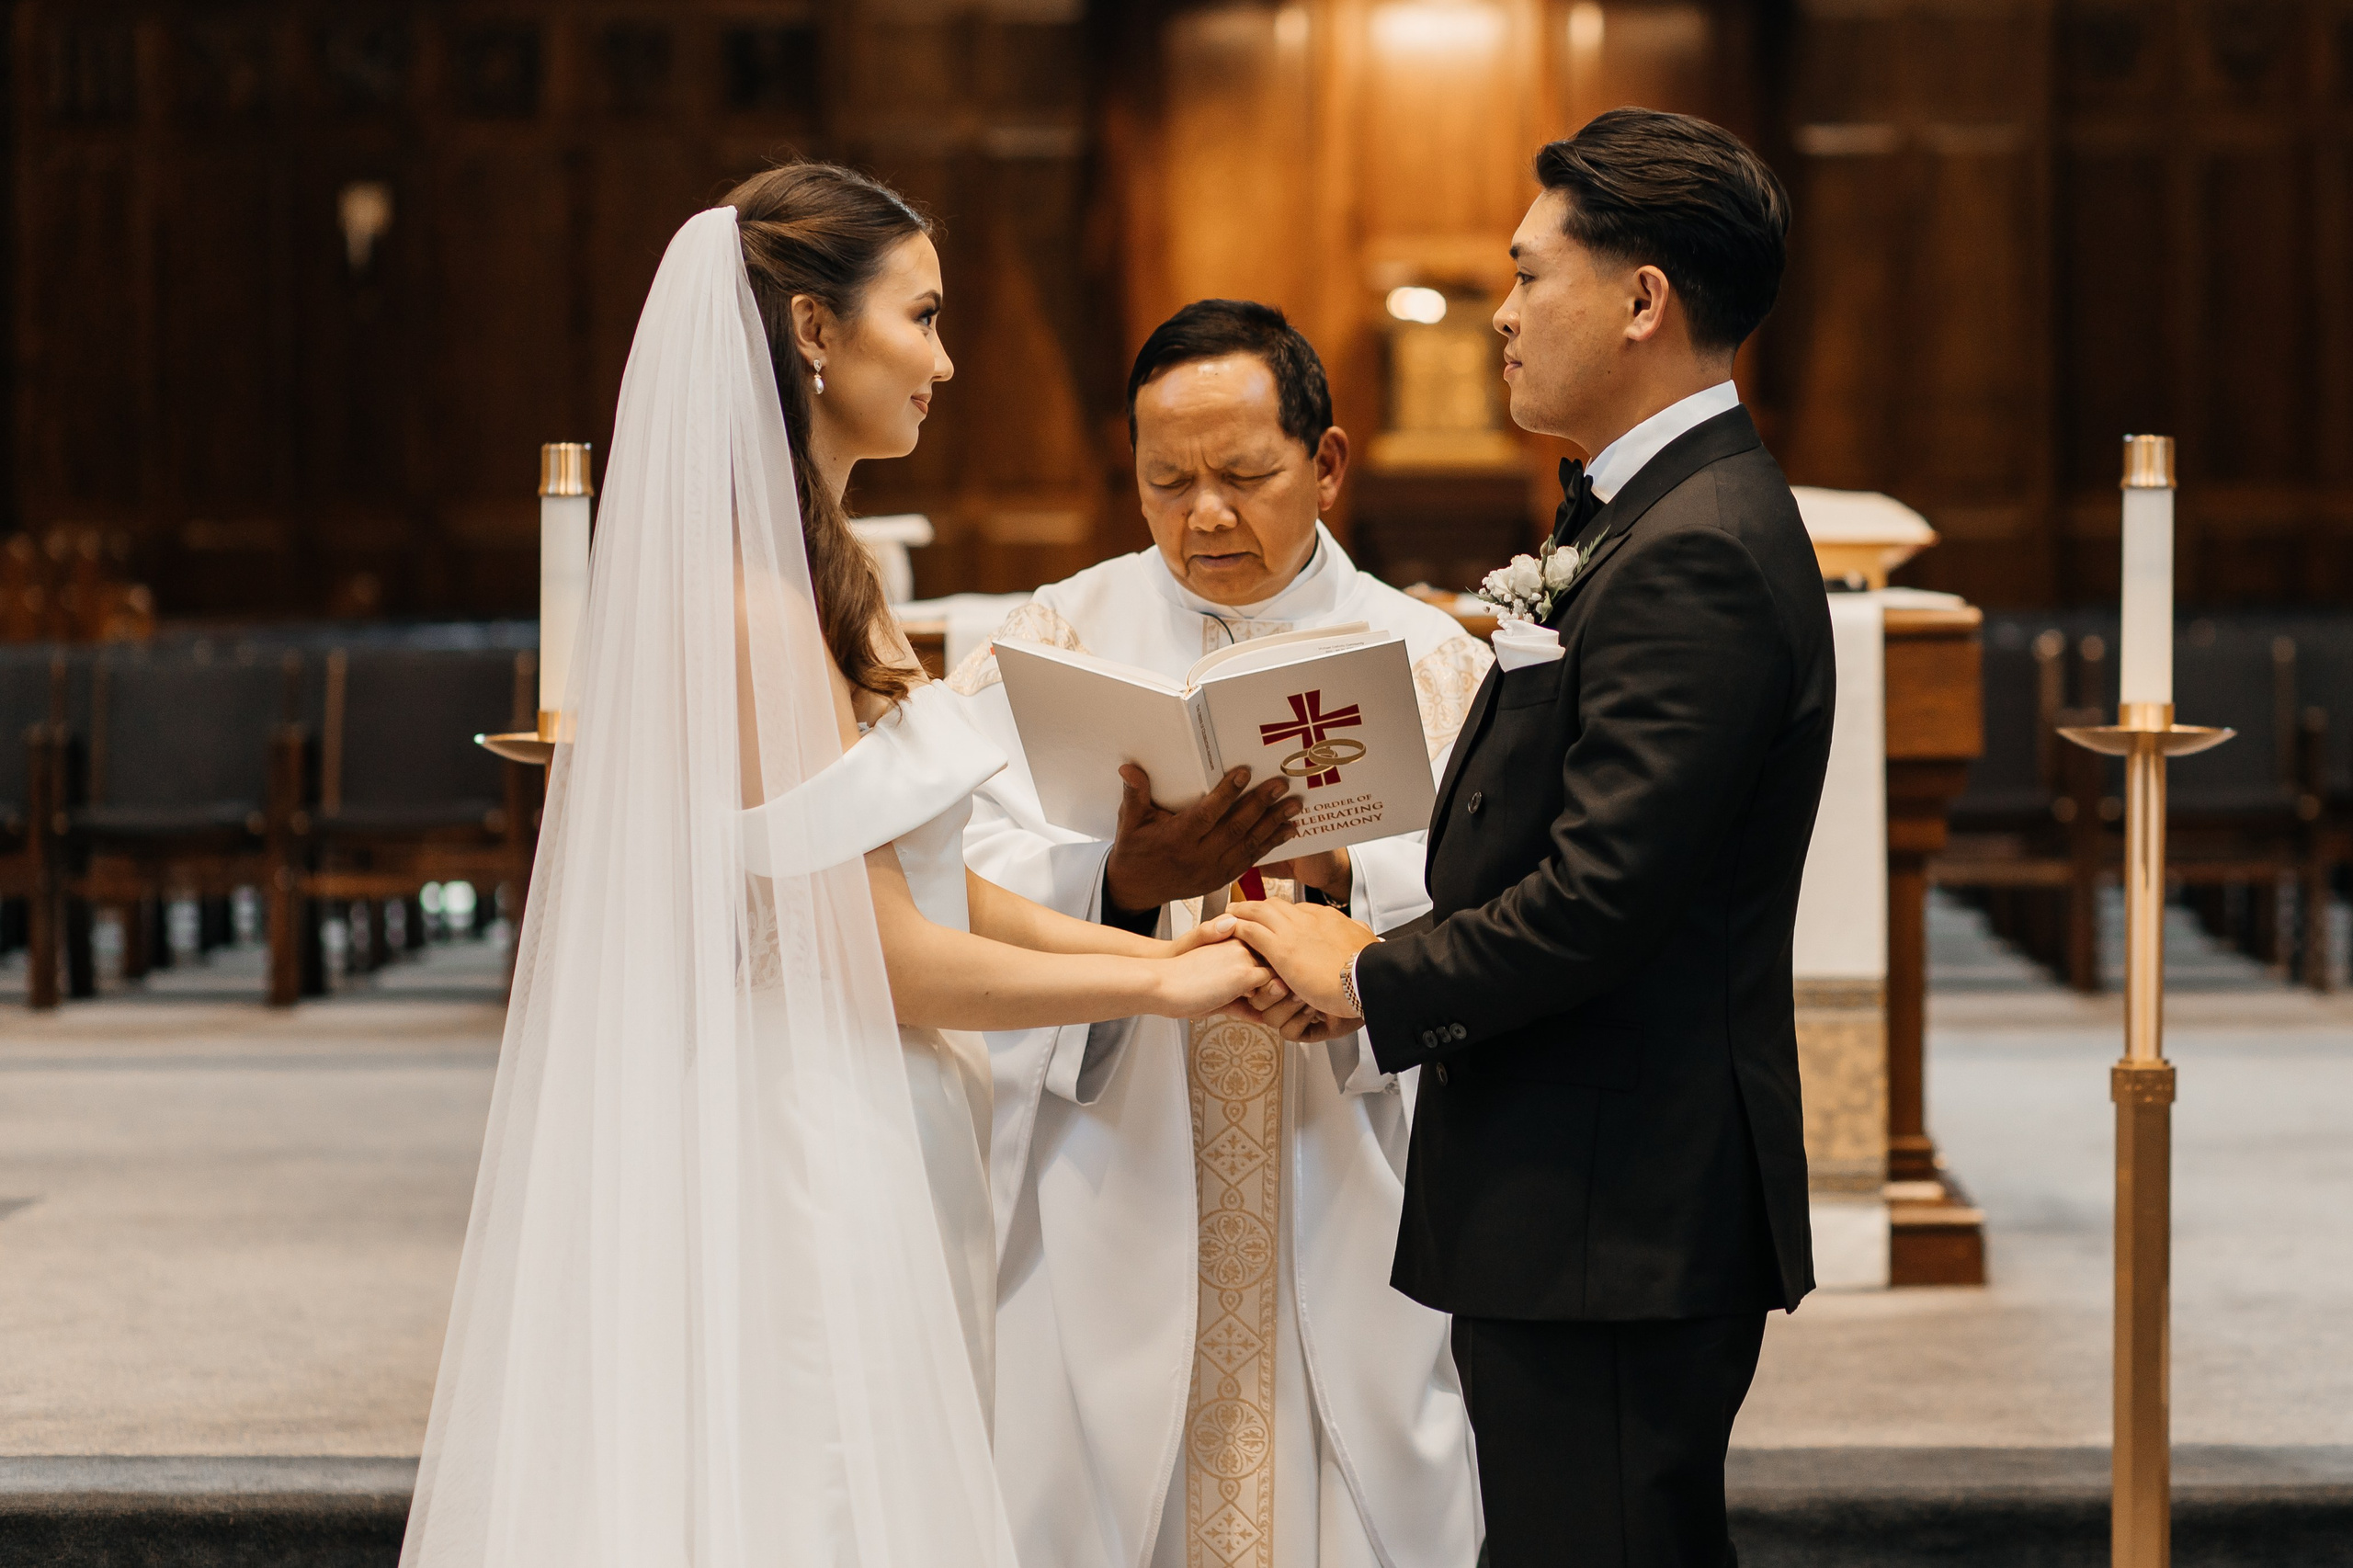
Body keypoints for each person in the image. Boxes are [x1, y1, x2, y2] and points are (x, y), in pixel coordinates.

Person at [399, 165, 1276, 1568]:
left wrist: (1162, 953)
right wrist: (1169, 996)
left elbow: (927, 884)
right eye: (921, 316)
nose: (944, 356)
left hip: (889, 1117)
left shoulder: (828, 581)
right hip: (808, 1132)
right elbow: (880, 955)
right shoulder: (748, 615)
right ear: (816, 331)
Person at [1226, 110, 1834, 1566]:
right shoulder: (1649, 516)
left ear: (1643, 300)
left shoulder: (1696, 546)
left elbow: (1598, 897)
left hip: (1615, 1204)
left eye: (1528, 273)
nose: (1498, 312)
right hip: (1579, 1189)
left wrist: (1372, 974)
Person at [948, 301, 1489, 1568]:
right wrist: (1121, 884)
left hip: (1345, 1171)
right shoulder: (1051, 643)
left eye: (1245, 476)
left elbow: (1499, 905)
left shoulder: (1430, 664)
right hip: (1116, 1175)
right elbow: (948, 882)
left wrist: (1350, 890)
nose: (1204, 516)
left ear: (1328, 464)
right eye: (1167, 480)